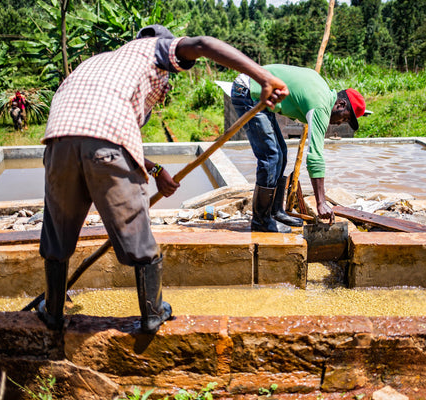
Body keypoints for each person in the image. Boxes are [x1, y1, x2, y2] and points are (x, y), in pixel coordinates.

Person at [37, 25, 288, 333]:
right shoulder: (153, 49)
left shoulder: (101, 62)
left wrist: (156, 172)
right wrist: (263, 77)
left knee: (57, 237)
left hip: (57, 144)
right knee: (137, 236)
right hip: (104, 144)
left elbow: (95, 134)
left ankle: (52, 311)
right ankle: (153, 313)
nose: (168, 82)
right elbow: (203, 42)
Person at [231, 64, 366, 232]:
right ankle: (261, 221)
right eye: (344, 118)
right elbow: (315, 156)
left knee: (281, 153)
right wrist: (321, 202)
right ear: (340, 104)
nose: (339, 123)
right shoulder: (320, 106)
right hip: (247, 91)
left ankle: (276, 211)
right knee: (270, 156)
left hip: (259, 93)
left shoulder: (322, 92)